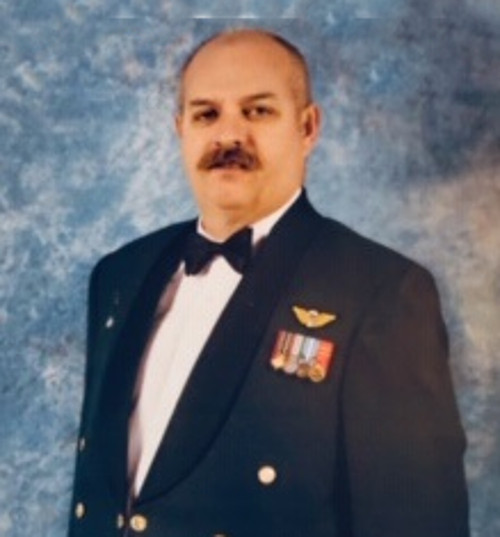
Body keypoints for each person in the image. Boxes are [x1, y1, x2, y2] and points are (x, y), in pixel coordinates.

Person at [68, 28, 469, 537]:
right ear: (180, 128)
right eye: (206, 114)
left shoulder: (381, 292)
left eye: (258, 111)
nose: (229, 136)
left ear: (308, 127)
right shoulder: (120, 275)